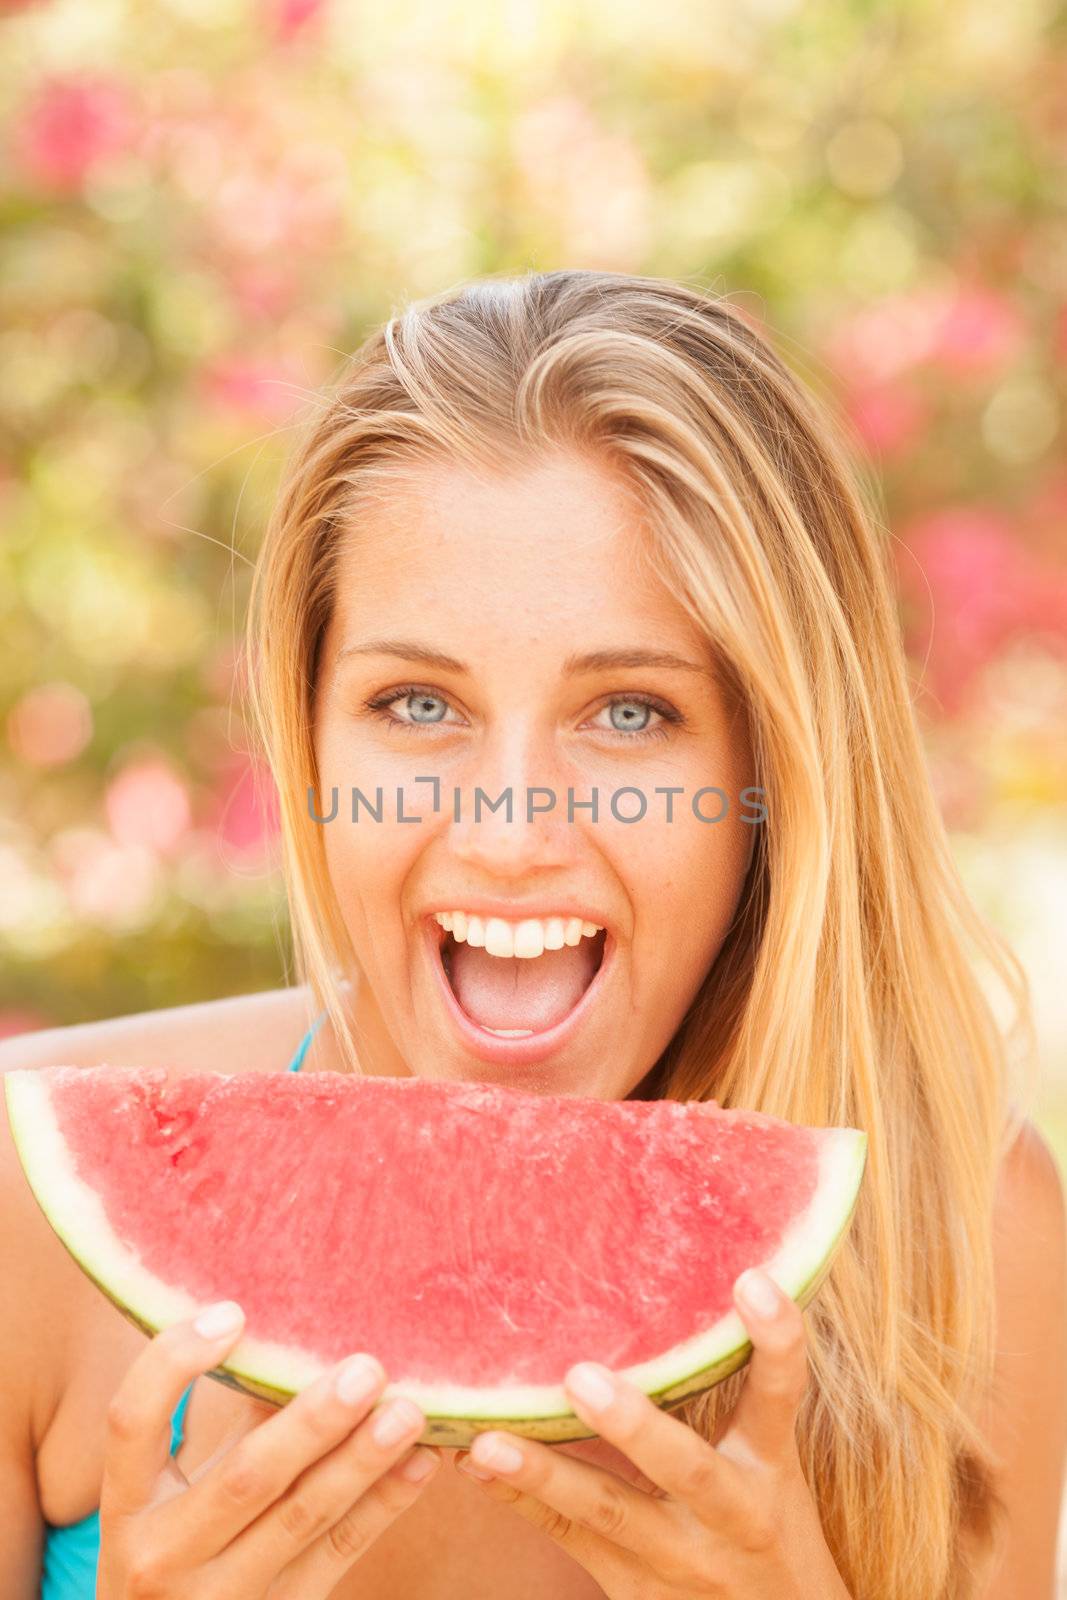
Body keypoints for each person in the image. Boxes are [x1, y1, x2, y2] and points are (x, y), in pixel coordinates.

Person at [1, 269, 1064, 1599]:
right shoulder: (22, 1219)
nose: (509, 831)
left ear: (776, 771)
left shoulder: (959, 1236)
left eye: (630, 713)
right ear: (311, 730)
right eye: (414, 703)